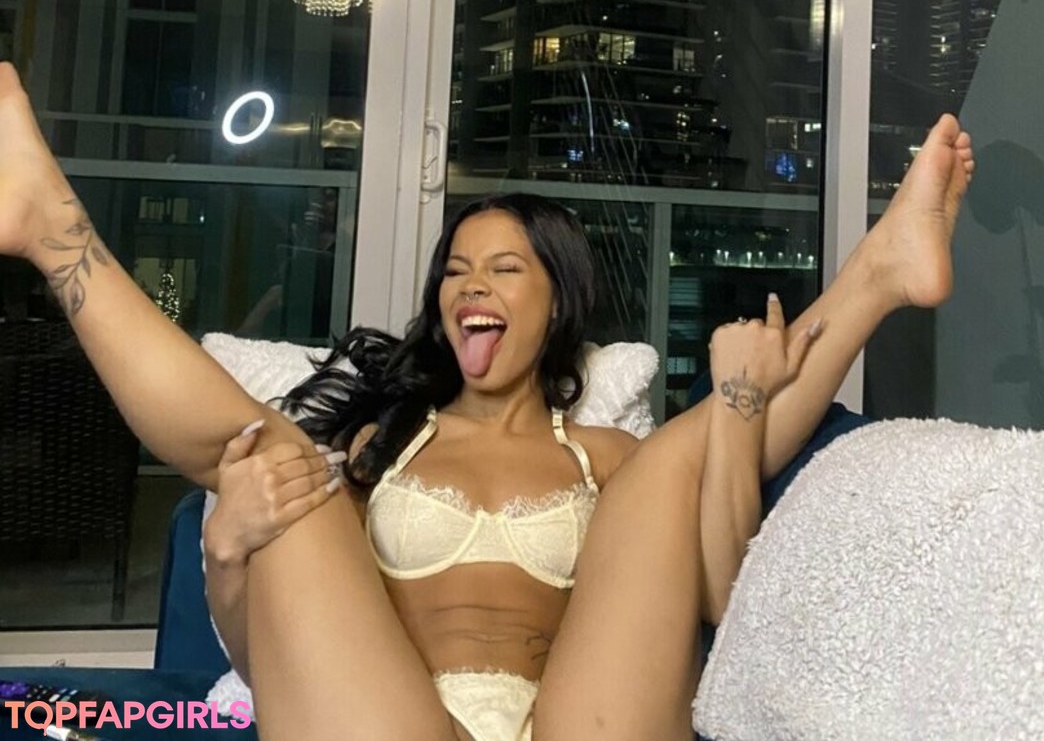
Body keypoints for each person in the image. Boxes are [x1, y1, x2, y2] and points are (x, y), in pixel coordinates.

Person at [0, 62, 974, 741]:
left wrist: (740, 400)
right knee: (278, 457)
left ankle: (882, 273)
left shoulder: (606, 455)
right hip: (394, 728)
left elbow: (730, 514)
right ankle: (54, 232)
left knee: (680, 455)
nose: (473, 286)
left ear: (557, 304)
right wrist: (225, 553)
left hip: (579, 727)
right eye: (458, 271)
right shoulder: (377, 449)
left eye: (506, 270)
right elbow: (280, 674)